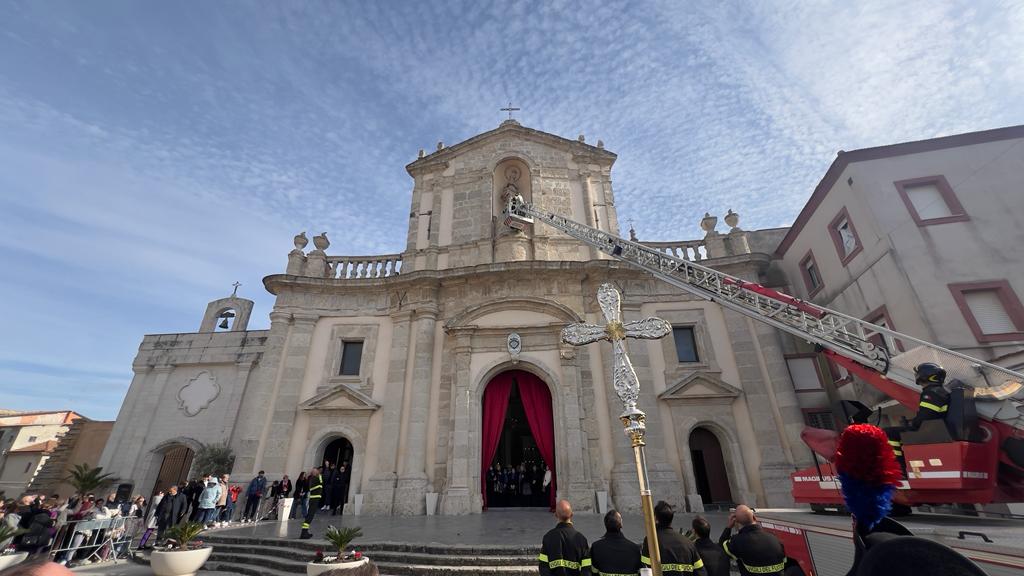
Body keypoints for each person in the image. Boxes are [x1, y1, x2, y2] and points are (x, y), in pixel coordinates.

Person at [883, 363, 951, 470]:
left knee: (887, 433)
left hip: (930, 431)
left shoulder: (931, 393)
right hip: (937, 430)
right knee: (900, 433)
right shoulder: (941, 391)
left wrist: (912, 423)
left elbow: (925, 417)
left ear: (924, 376)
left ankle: (899, 469)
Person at [641, 501, 706, 576]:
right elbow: (701, 572)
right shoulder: (688, 543)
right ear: (671, 519)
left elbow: (645, 569)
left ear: (655, 519)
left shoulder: (650, 541)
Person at [720, 505, 786, 576]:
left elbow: (721, 548)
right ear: (754, 517)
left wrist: (728, 527)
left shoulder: (737, 541)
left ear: (737, 522)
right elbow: (784, 561)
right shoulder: (773, 537)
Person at [537, 499, 590, 575]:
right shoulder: (581, 539)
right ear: (572, 515)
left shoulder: (548, 537)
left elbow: (543, 567)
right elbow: (586, 570)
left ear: (555, 515)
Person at [590, 509, 642, 576]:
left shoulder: (596, 547)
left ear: (605, 525)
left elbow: (594, 572)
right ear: (621, 525)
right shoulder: (635, 549)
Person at [300, 467, 323, 540]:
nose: (318, 472)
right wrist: (319, 474)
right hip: (314, 499)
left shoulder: (312, 479)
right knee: (310, 516)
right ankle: (304, 533)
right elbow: (321, 481)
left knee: (310, 515)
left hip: (314, 499)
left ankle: (304, 532)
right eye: (316, 471)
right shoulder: (316, 478)